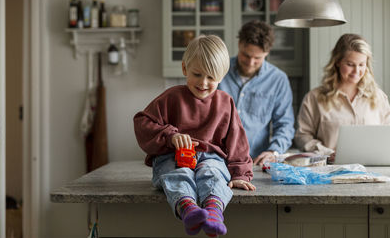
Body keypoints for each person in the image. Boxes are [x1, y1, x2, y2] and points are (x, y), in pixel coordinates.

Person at [133, 35, 255, 237]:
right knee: (178, 175)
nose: (203, 83)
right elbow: (142, 123)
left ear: (222, 76)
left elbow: (237, 142)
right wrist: (170, 136)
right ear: (184, 69)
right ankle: (188, 210)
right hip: (173, 157)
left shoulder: (226, 102)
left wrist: (241, 174)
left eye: (211, 78)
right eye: (197, 74)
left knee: (213, 173)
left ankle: (214, 212)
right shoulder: (171, 97)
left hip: (210, 157)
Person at [295, 33, 390, 162]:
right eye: (350, 64)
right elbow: (302, 136)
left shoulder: (379, 98)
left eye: (362, 64)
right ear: (337, 62)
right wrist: (327, 153)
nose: (356, 71)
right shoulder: (314, 98)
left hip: (373, 172)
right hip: (330, 172)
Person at [218, 20, 295, 166]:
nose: (251, 62)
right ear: (239, 44)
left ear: (267, 53)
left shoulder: (278, 80)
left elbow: (285, 125)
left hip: (254, 162)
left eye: (258, 58)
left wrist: (274, 151)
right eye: (246, 55)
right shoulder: (219, 71)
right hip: (217, 159)